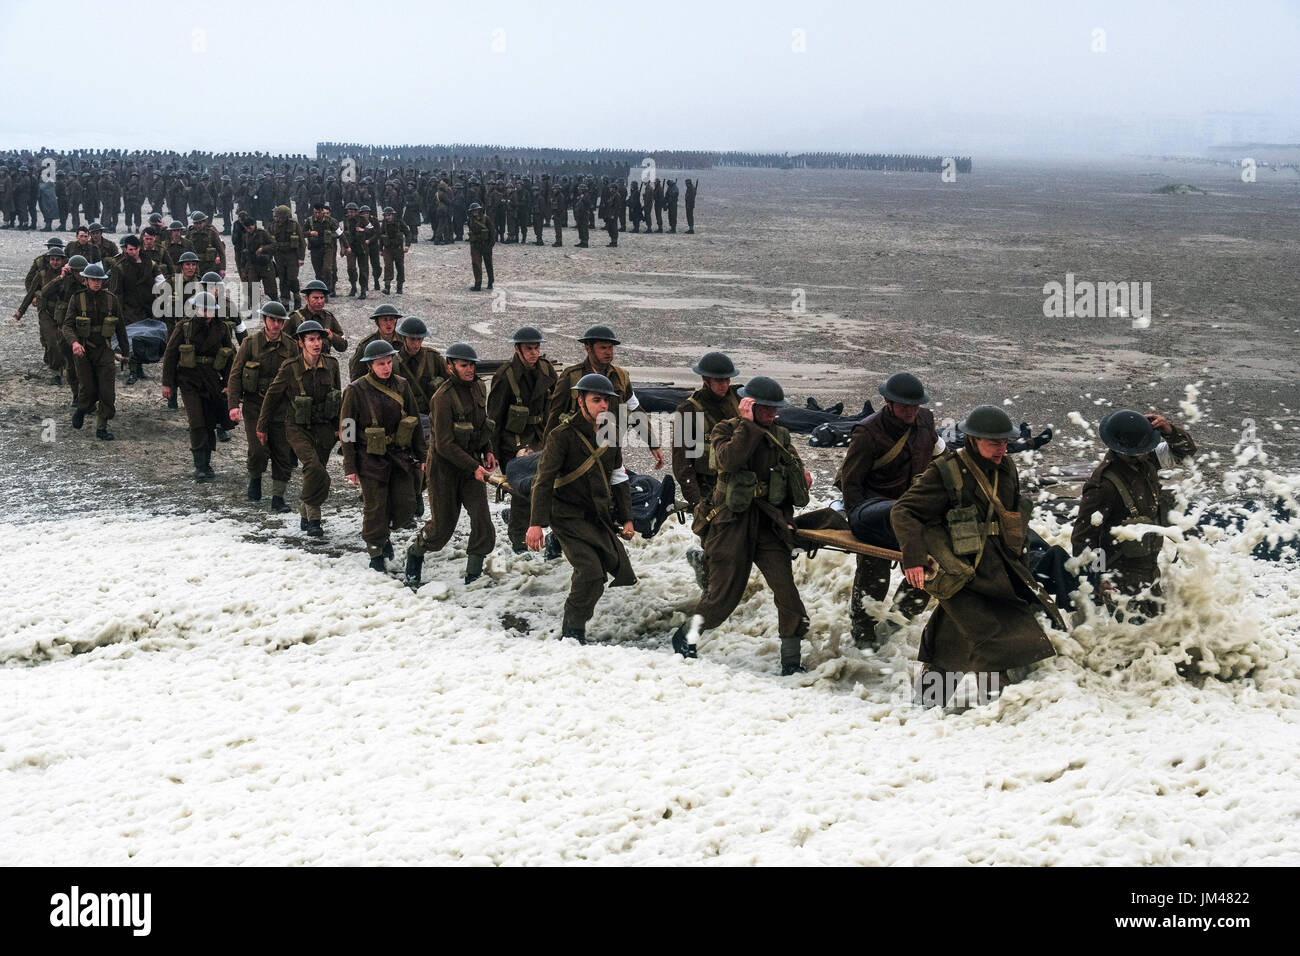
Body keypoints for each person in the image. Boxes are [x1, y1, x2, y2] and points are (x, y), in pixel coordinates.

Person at [891, 404, 1061, 708]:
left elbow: (1011, 519)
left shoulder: (1007, 468)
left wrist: (1021, 569)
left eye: (1005, 442)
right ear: (973, 439)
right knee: (991, 636)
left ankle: (927, 704)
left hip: (1000, 571)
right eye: (994, 443)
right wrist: (913, 559)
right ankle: (996, 709)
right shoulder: (946, 471)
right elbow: (904, 511)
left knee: (951, 637)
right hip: (962, 573)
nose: (1002, 449)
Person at [671, 376, 812, 675]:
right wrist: (748, 426)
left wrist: (798, 484)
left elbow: (793, 477)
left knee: (787, 592)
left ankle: (791, 662)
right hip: (730, 522)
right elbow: (728, 461)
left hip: (767, 523)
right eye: (766, 409)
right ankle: (685, 637)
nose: (772, 415)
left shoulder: (781, 436)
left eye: (776, 410)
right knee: (722, 596)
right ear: (750, 405)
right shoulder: (727, 429)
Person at [526, 373, 636, 643]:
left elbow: (619, 477)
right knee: (590, 572)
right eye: (596, 400)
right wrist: (536, 523)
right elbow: (543, 481)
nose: (603, 406)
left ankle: (575, 627)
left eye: (606, 401)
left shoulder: (611, 433)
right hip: (566, 515)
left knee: (598, 576)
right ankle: (572, 633)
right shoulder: (561, 436)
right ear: (580, 402)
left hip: (597, 516)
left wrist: (628, 518)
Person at [837, 372, 939, 645]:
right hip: (873, 512)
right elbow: (851, 483)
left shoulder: (926, 421)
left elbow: (940, 456)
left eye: (915, 406)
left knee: (932, 564)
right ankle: (863, 632)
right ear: (887, 402)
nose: (910, 411)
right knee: (874, 573)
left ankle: (896, 624)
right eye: (904, 406)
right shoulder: (868, 432)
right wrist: (859, 525)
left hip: (912, 512)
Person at [1071, 409, 1196, 621]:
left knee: (1156, 635)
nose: (1148, 452)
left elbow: (1186, 453)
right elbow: (1084, 538)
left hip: (1149, 569)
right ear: (1124, 451)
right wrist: (1098, 579)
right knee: (1130, 638)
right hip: (1120, 577)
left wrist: (1169, 430)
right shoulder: (1103, 485)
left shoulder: (1146, 463)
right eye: (1143, 449)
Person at [403, 344, 498, 587]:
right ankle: (415, 553)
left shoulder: (479, 387)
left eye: (472, 365)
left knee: (482, 521)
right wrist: (473, 466)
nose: (469, 369)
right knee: (441, 529)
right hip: (444, 470)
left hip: (471, 467)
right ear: (450, 367)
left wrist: (487, 451)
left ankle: (473, 575)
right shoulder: (442, 398)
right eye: (463, 365)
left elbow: (481, 425)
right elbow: (444, 444)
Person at [342, 340, 428, 570]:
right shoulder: (356, 390)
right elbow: (347, 428)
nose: (387, 367)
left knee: (404, 506)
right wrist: (350, 465)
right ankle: (375, 554)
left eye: (389, 362)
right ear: (370, 365)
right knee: (375, 508)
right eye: (381, 363)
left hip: (399, 456)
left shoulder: (402, 385)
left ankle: (384, 534)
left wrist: (422, 455)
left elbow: (416, 421)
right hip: (370, 458)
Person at [256, 319, 343, 537]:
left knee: (315, 470)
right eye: (311, 339)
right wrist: (262, 425)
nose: (316, 344)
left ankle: (305, 509)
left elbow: (339, 397)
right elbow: (272, 397)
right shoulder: (289, 368)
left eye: (319, 339)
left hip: (324, 428)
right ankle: (314, 519)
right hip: (297, 427)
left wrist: (339, 428)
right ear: (301, 343)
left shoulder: (331, 364)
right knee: (314, 467)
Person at [544, 325, 666, 470]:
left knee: (620, 488)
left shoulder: (620, 377)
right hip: (577, 452)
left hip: (610, 450)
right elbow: (554, 417)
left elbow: (635, 411)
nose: (609, 352)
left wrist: (653, 444)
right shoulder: (571, 377)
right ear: (588, 348)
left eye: (610, 348)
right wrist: (547, 454)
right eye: (603, 348)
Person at [672, 352, 741, 590]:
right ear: (705, 380)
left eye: (727, 380)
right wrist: (696, 501)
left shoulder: (737, 400)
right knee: (715, 543)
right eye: (719, 381)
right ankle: (711, 591)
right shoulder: (689, 411)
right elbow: (681, 463)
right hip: (707, 488)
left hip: (737, 484)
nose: (724, 385)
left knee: (738, 542)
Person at [486, 326, 557, 552]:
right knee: (524, 491)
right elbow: (494, 419)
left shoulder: (546, 370)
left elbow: (557, 405)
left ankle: (557, 536)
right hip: (513, 442)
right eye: (529, 348)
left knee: (554, 484)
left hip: (542, 437)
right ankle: (518, 540)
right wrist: (493, 454)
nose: (534, 353)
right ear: (517, 349)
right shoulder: (505, 376)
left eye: (536, 348)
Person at [228, 301, 300, 509]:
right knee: (258, 449)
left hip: (281, 408)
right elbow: (235, 375)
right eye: (272, 320)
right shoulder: (250, 344)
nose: (276, 324)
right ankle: (255, 479)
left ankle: (278, 497)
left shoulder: (291, 346)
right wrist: (233, 404)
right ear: (264, 320)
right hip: (254, 405)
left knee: (282, 451)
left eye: (280, 321)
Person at [161, 291, 236, 482]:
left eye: (211, 310)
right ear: (196, 309)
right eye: (204, 309)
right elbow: (170, 356)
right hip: (189, 381)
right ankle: (200, 466)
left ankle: (207, 462)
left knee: (210, 422)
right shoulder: (184, 327)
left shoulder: (222, 328)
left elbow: (231, 358)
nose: (207, 313)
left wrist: (229, 385)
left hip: (213, 381)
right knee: (197, 422)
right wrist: (167, 384)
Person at [61, 261, 129, 441]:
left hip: (104, 350)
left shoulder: (111, 299)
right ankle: (82, 409)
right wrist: (74, 343)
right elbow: (67, 326)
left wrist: (126, 352)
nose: (96, 283)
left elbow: (121, 327)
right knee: (88, 389)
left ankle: (102, 427)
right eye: (93, 279)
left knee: (107, 392)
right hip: (83, 349)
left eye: (100, 279)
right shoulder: (77, 298)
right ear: (86, 280)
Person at [285, 280, 348, 354]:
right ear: (306, 298)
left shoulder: (328, 318)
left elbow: (343, 346)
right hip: (300, 363)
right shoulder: (295, 318)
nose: (319, 301)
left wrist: (332, 336)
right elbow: (282, 343)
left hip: (323, 363)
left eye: (322, 298)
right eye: (315, 298)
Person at [350, 304, 401, 381]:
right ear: (377, 322)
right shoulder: (366, 344)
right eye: (385, 320)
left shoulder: (403, 342)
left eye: (391, 319)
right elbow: (356, 374)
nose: (388, 323)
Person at [269, 204, 304, 310]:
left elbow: (302, 242)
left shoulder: (294, 225)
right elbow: (268, 242)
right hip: (279, 256)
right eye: (277, 216)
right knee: (282, 279)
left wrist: (301, 258)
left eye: (281, 216)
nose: (279, 218)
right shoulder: (272, 226)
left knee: (292, 278)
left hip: (292, 255)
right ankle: (285, 301)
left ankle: (297, 296)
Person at [379, 205, 410, 295]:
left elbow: (408, 234)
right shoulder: (384, 223)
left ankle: (399, 287)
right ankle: (387, 287)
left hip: (398, 249)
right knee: (388, 267)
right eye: (386, 215)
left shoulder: (400, 222)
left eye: (389, 215)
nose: (388, 217)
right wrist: (380, 249)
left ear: (393, 215)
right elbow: (381, 236)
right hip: (387, 249)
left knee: (400, 267)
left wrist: (407, 245)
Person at [467, 202, 495, 292]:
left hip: (485, 244)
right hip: (475, 245)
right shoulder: (470, 220)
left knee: (488, 264)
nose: (474, 212)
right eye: (473, 211)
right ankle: (477, 284)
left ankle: (490, 281)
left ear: (479, 210)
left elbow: (492, 232)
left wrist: (490, 245)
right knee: (476, 264)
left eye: (476, 210)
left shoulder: (486, 219)